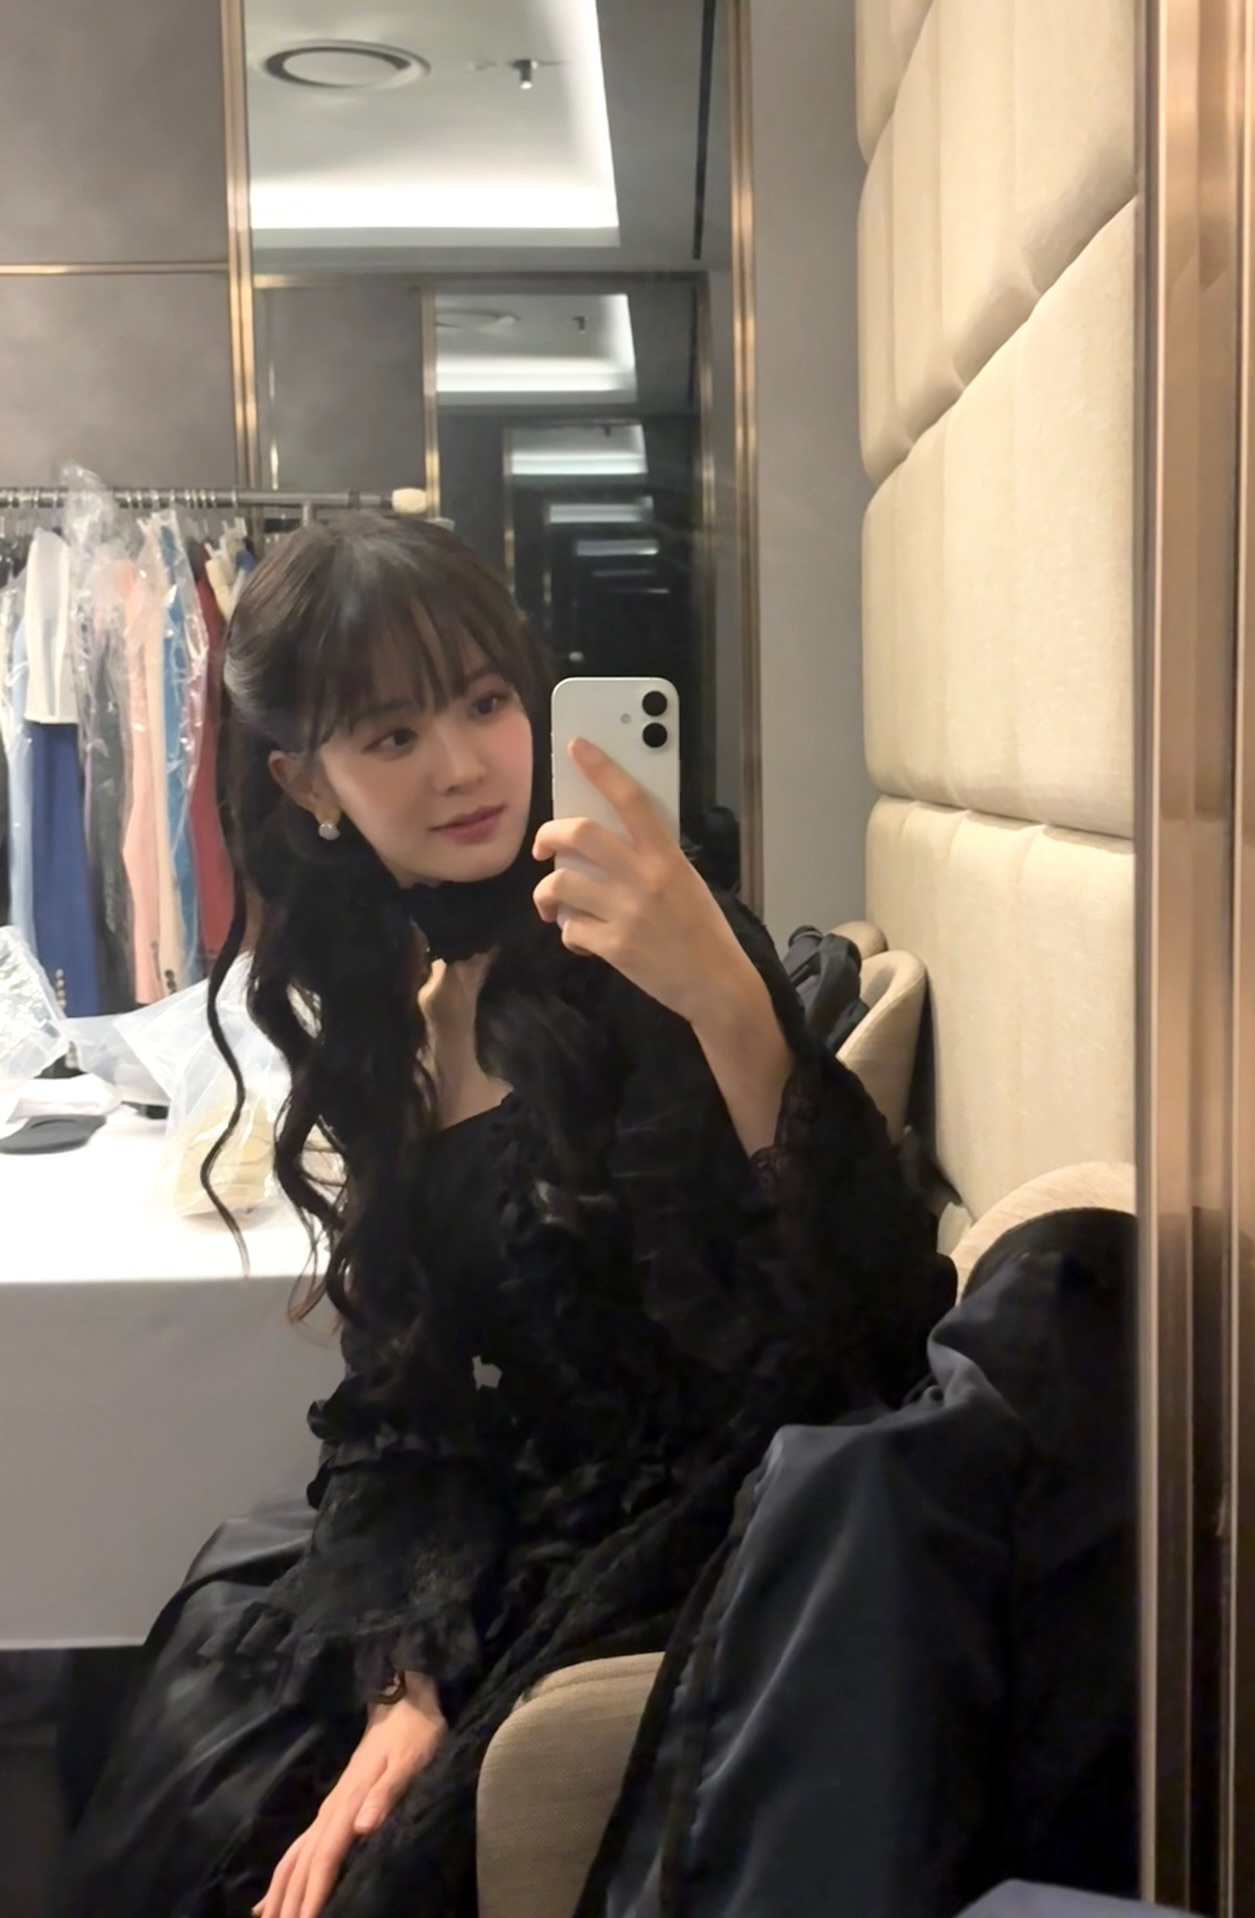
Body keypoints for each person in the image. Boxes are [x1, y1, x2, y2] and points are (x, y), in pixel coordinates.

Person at [53, 515, 954, 1918]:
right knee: (172, 1726)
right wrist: (402, 1666)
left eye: (484, 702)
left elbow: (856, 1339)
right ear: (308, 782)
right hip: (498, 1520)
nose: (464, 763)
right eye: (393, 733)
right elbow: (402, 1395)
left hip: (684, 1531)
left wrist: (726, 1000)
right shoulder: (398, 1007)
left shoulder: (651, 947)